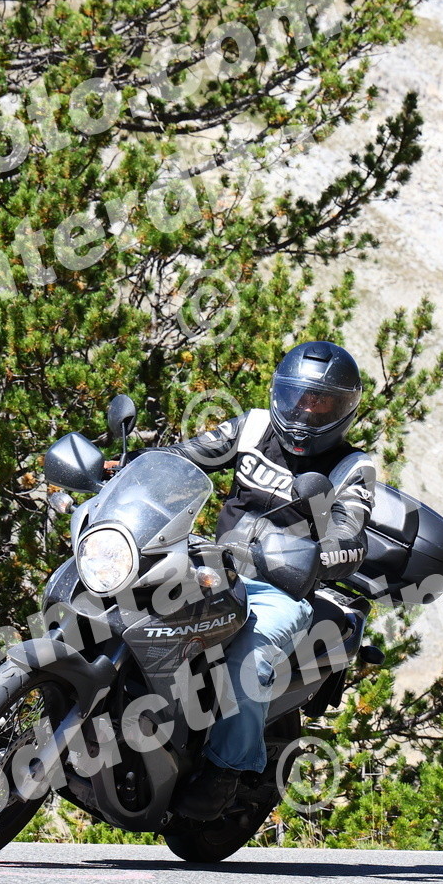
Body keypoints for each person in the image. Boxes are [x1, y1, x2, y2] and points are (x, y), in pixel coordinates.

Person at [163, 340, 377, 821]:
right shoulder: (254, 427)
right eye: (299, 397)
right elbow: (183, 457)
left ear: (344, 409)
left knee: (250, 663)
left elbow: (350, 533)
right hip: (213, 565)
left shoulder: (352, 467)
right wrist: (129, 465)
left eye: (322, 403)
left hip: (281, 587)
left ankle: (225, 772)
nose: (307, 411)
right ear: (281, 392)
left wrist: (323, 555)